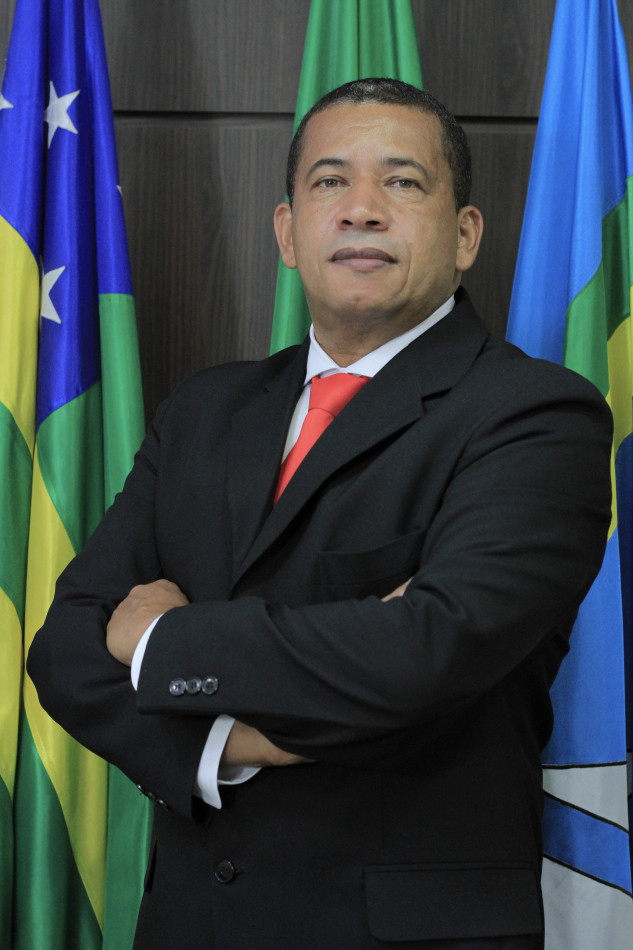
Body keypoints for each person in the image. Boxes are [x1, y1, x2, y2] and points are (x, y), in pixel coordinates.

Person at [28, 78, 612, 950]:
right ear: (287, 232)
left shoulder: (535, 415)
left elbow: (422, 651)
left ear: (465, 236)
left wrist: (160, 641)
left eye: (402, 181)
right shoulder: (204, 411)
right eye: (330, 181)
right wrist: (228, 745)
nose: (361, 208)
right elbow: (67, 650)